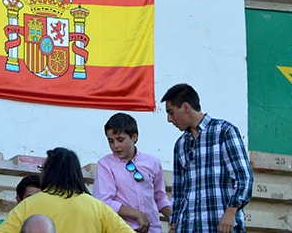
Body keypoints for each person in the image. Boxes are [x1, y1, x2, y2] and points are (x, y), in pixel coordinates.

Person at [162, 84, 252, 233]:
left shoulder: (224, 132)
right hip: (187, 228)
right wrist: (174, 226)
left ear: (185, 107)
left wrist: (231, 212)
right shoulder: (180, 145)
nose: (169, 119)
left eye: (171, 112)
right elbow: (178, 192)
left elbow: (244, 178)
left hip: (221, 227)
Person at [0, 147, 134, 233]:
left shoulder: (29, 204)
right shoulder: (98, 208)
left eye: (42, 169)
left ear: (49, 172)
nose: (40, 174)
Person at [93, 113, 171, 233]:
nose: (115, 146)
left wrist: (174, 220)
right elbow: (103, 202)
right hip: (122, 229)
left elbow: (159, 196)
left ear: (134, 137)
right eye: (111, 141)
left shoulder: (152, 162)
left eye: (120, 140)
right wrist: (137, 214)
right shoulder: (105, 165)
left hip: (152, 230)